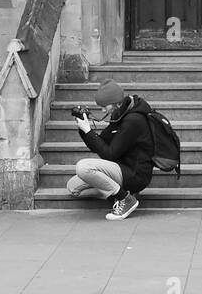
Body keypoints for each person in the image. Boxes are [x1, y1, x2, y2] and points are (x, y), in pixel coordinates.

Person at [66, 80, 156, 221]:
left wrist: (89, 131)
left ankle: (125, 199)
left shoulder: (133, 120)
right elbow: (101, 143)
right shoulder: (119, 115)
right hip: (120, 169)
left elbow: (110, 154)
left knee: (83, 167)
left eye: (104, 106)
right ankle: (120, 194)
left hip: (134, 173)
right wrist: (84, 129)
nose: (102, 110)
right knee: (73, 187)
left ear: (117, 103)